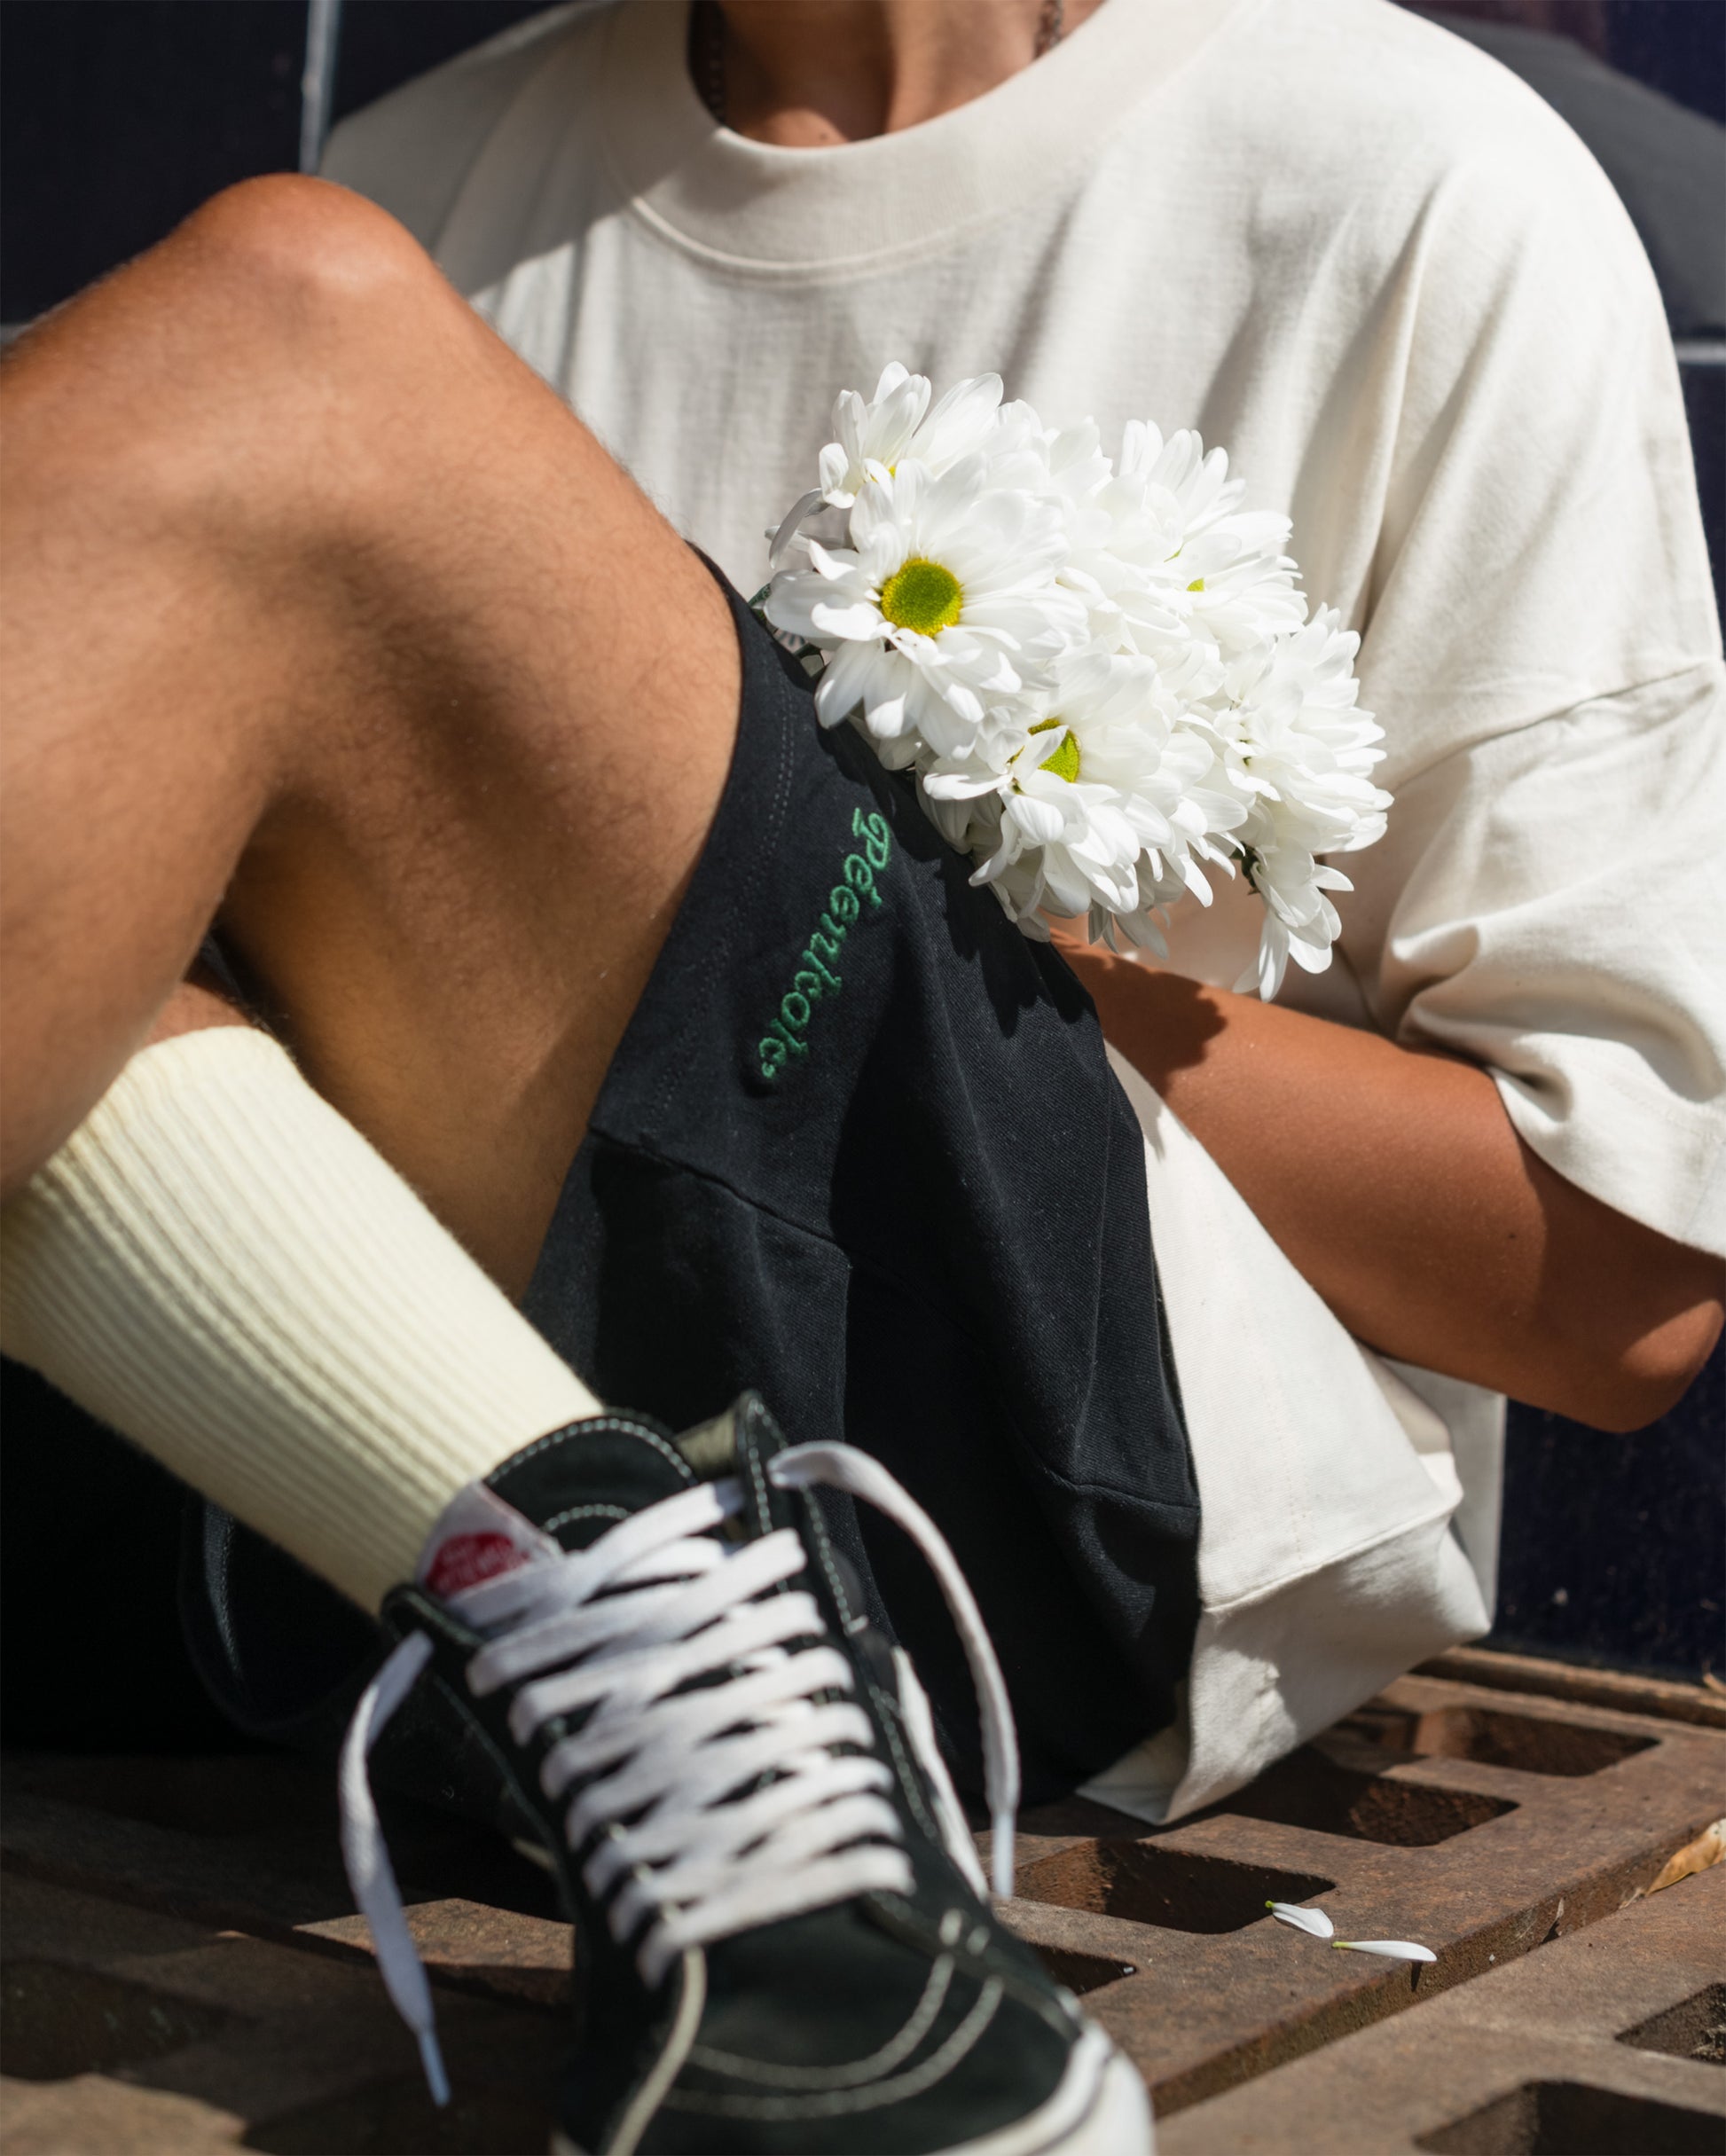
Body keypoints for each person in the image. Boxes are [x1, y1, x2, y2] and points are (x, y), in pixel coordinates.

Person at [0, 0, 1720, 2148]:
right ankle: (631, 1621)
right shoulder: (451, 163)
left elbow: (1617, 1268)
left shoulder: (1406, 179)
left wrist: (944, 924)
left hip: (1033, 1490)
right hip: (364, 1474)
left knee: (284, 321)